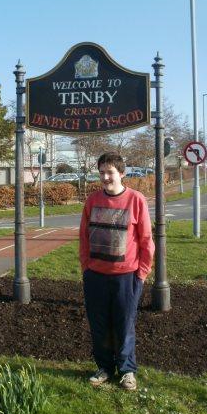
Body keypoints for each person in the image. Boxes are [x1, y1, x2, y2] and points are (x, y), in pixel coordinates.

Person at [79, 152, 155, 390]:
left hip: (127, 276)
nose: (105, 177)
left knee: (124, 325)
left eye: (110, 172)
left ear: (122, 174)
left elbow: (146, 240)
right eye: (101, 172)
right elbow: (83, 238)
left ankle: (127, 370)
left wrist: (141, 273)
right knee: (99, 324)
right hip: (95, 276)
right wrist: (86, 268)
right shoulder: (92, 201)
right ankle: (104, 367)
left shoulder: (136, 199)